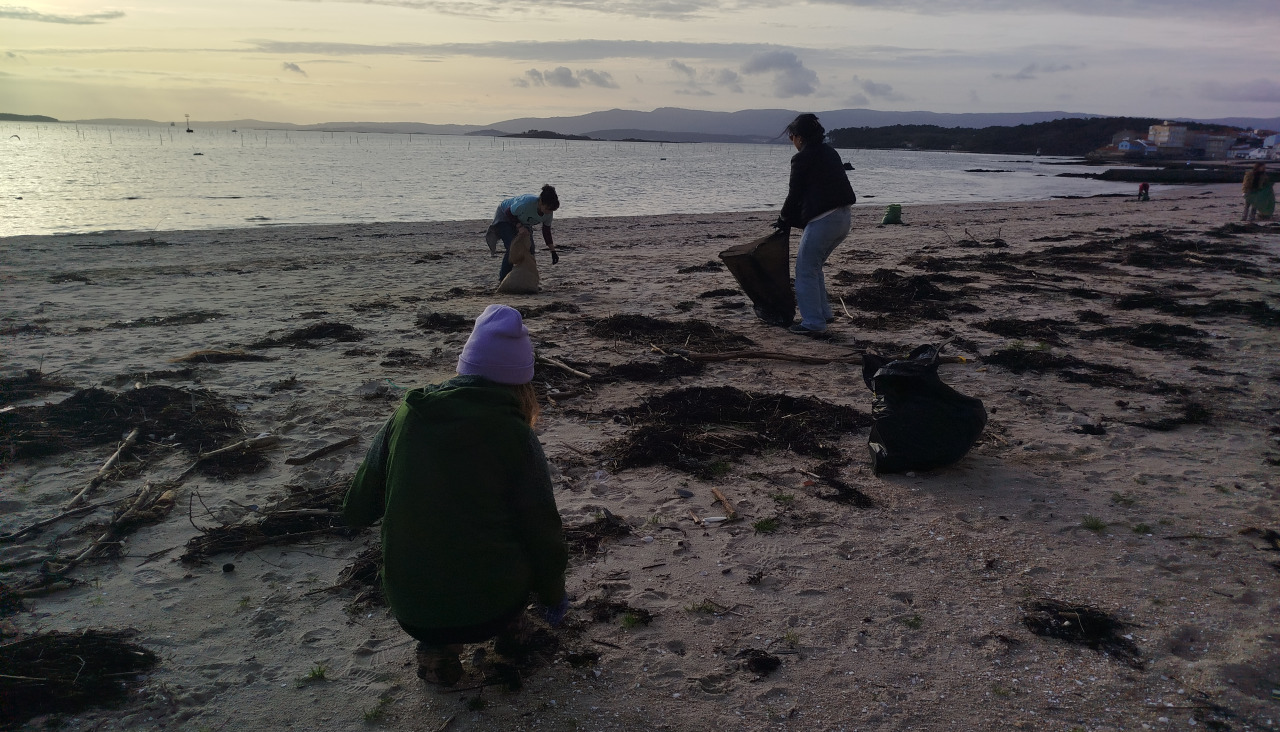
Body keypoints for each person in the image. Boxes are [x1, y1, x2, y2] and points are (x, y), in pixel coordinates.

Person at [342, 304, 569, 686]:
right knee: (513, 545)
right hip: (491, 606)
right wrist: (553, 595)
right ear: (521, 383)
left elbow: (360, 505)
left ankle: (436, 654)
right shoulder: (515, 434)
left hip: (410, 607)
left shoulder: (408, 414)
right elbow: (541, 526)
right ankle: (513, 629)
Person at [775, 113, 857, 336]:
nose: (792, 142)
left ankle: (813, 323)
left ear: (799, 137)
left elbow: (795, 194)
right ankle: (824, 314)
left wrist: (783, 218)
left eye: (792, 137)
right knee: (815, 266)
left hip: (824, 220)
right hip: (843, 218)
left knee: (805, 270)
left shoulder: (802, 158)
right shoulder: (830, 152)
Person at [486, 185, 561, 282]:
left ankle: (526, 279)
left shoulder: (548, 213)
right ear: (541, 202)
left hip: (523, 220)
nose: (549, 212)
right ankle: (503, 279)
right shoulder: (526, 204)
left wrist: (553, 251)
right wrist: (519, 227)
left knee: (530, 248)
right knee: (512, 246)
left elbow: (546, 231)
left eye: (552, 210)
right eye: (548, 209)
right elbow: (509, 212)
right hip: (505, 215)